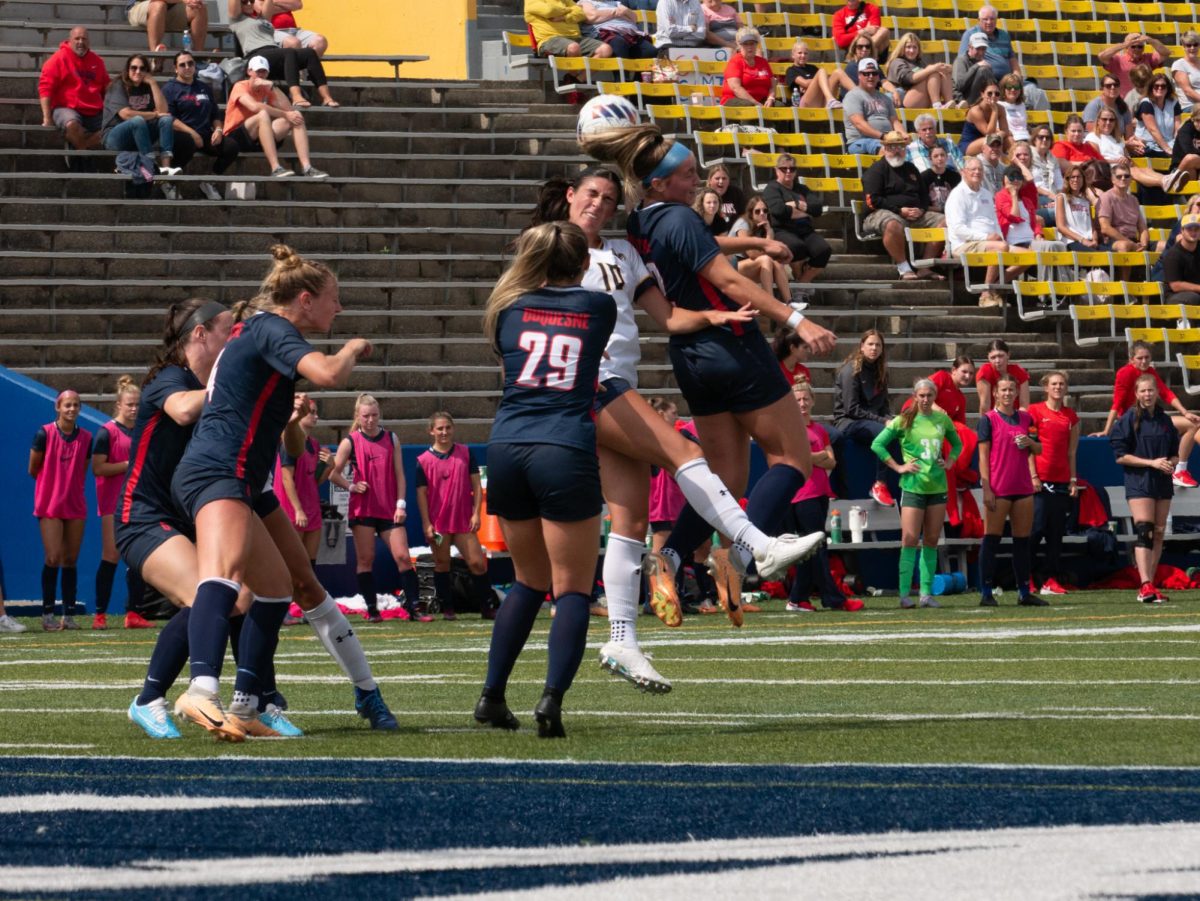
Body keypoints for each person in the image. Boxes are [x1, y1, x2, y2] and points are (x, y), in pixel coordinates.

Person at [529, 170, 825, 684]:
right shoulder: (547, 250)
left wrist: (710, 317)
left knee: (630, 522)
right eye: (590, 194)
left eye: (609, 197)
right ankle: (754, 544)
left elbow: (666, 316)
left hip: (615, 384)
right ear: (570, 196)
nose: (599, 204)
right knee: (684, 455)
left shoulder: (625, 251)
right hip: (585, 387)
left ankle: (623, 640)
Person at [581, 123, 837, 626]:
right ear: (658, 183)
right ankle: (738, 557)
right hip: (732, 342)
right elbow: (724, 279)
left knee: (725, 478)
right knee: (793, 458)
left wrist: (742, 243)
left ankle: (671, 558)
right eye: (686, 174)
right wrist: (797, 319)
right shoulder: (678, 218)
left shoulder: (641, 220)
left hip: (689, 352)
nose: (697, 181)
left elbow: (689, 241)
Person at [120, 299, 396, 740]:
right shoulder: (172, 379)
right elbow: (183, 411)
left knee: (260, 592)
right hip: (147, 517)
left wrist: (286, 415)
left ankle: (257, 701)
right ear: (199, 334)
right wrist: (231, 383)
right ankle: (151, 698)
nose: (235, 339)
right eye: (228, 331)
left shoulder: (239, 380)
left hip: (214, 499)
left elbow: (285, 447)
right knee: (209, 595)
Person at [169, 246, 373, 740]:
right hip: (218, 469)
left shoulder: (257, 330)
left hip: (231, 472)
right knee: (223, 577)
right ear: (304, 300)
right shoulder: (272, 328)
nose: (339, 309)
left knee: (277, 586)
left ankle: (245, 706)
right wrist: (353, 348)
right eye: (334, 299)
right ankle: (199, 691)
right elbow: (328, 373)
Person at [471, 222, 616, 738]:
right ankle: (551, 699)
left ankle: (491, 695)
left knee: (529, 581)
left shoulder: (508, 307)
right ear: (581, 263)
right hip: (563, 445)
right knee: (573, 589)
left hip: (507, 445)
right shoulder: (599, 308)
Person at [329, 394, 428, 623]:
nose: (371, 420)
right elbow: (333, 473)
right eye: (366, 416)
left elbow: (400, 474)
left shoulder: (391, 438)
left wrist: (400, 503)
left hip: (388, 508)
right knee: (366, 559)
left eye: (374, 415)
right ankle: (373, 610)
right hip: (363, 509)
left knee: (403, 556)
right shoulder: (351, 441)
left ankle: (415, 607)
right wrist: (352, 486)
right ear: (358, 416)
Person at [872, 378, 961, 608]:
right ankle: (904, 594)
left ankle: (926, 593)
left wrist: (950, 461)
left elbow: (957, 443)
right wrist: (898, 466)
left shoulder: (942, 419)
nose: (925, 400)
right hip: (913, 486)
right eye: (921, 395)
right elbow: (877, 445)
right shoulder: (904, 420)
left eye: (929, 396)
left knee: (931, 539)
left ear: (934, 397)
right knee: (910, 538)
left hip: (937, 486)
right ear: (914, 396)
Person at [788, 380, 862, 612]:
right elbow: (797, 458)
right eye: (798, 400)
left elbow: (832, 461)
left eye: (805, 399)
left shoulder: (819, 430)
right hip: (802, 494)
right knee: (818, 546)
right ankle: (833, 598)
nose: (802, 403)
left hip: (820, 492)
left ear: (812, 401)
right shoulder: (790, 429)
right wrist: (818, 456)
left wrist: (813, 456)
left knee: (809, 549)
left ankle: (798, 598)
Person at [415, 411, 492, 622]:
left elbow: (476, 485)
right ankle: (448, 609)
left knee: (477, 563)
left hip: (463, 520)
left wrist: (476, 514)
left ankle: (487, 606)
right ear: (431, 431)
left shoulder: (466, 453)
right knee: (442, 564)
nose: (444, 432)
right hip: (439, 522)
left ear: (453, 428)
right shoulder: (423, 460)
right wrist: (426, 523)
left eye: (447, 427)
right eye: (439, 428)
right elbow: (421, 494)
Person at [977, 374, 1046, 607]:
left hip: (1023, 487)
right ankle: (986, 592)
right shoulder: (988, 420)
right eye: (1003, 390)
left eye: (1011, 390)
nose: (1007, 394)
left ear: (1017, 393)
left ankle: (1024, 592)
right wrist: (986, 487)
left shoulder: (1025, 419)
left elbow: (1038, 448)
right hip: (999, 487)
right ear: (995, 393)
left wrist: (1030, 443)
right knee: (992, 539)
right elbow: (983, 456)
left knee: (1022, 541)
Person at [1093, 339, 1200, 489]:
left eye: (1147, 358)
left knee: (1193, 424)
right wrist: (1106, 429)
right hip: (1134, 419)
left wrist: (1185, 412)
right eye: (1140, 358)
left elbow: (1166, 393)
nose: (1144, 361)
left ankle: (1180, 471)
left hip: (1152, 417)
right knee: (1190, 426)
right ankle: (1178, 471)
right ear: (1131, 359)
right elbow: (1117, 403)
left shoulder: (1150, 371)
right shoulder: (1125, 373)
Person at [1110, 373, 1179, 603]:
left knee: (1159, 532)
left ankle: (1152, 582)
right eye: (1143, 391)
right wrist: (1151, 463)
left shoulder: (1164, 419)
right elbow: (1120, 456)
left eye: (1151, 390)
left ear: (1157, 392)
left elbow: (1175, 452)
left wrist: (1172, 463)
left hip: (1162, 482)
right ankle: (1144, 584)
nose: (1147, 395)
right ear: (1136, 394)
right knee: (1145, 530)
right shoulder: (1129, 419)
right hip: (1139, 481)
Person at [30, 390, 92, 632]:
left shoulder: (86, 437)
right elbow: (33, 467)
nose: (71, 409)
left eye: (76, 405)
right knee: (53, 557)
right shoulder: (44, 433)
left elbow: (82, 469)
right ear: (58, 406)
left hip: (75, 504)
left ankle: (69, 614)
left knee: (70, 560)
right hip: (50, 504)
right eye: (67, 405)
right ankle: (47, 614)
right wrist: (52, 487)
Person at [91, 375, 149, 630]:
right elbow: (98, 468)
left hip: (138, 501)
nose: (134, 409)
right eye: (130, 404)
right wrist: (127, 465)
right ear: (118, 404)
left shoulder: (143, 430)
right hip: (112, 503)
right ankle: (100, 614)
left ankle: (134, 612)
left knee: (137, 558)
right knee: (111, 555)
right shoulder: (107, 432)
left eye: (137, 404)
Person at [222, 55, 326, 179]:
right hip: (235, 137)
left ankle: (307, 167)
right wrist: (284, 114)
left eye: (264, 71)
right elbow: (254, 107)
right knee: (263, 114)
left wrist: (273, 86)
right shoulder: (240, 86)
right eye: (258, 71)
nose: (260, 75)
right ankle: (275, 167)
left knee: (296, 116)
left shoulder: (267, 88)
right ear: (249, 72)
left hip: (257, 137)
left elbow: (289, 109)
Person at [863, 130, 946, 280]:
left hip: (916, 214)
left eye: (900, 147)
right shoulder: (875, 170)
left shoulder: (911, 168)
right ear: (885, 149)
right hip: (882, 212)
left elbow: (924, 195)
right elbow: (873, 200)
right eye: (892, 147)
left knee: (945, 221)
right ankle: (904, 267)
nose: (897, 151)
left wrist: (921, 209)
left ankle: (924, 267)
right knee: (892, 224)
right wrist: (899, 211)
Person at [944, 156, 1026, 307]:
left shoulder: (986, 194)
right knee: (999, 248)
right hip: (964, 244)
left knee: (1029, 256)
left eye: (980, 169)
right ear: (963, 172)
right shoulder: (957, 195)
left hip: (991, 243)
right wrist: (986, 237)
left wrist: (1000, 239)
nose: (977, 172)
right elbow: (958, 229)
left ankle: (993, 287)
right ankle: (985, 295)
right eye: (973, 169)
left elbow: (994, 222)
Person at [227, 0, 338, 108]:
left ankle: (327, 98)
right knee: (289, 52)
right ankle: (296, 96)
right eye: (244, 2)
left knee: (309, 53)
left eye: (251, 1)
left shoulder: (263, 19)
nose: (249, 4)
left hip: (274, 52)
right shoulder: (237, 19)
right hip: (256, 54)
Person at [161, 50, 240, 201]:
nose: (187, 67)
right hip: (180, 133)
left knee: (231, 147)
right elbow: (169, 118)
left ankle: (209, 182)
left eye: (190, 63)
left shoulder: (204, 87)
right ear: (175, 68)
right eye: (182, 65)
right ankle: (167, 183)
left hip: (205, 134)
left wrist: (218, 129)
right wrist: (192, 133)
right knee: (188, 143)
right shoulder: (169, 89)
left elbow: (215, 114)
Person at [1027, 371, 1079, 597]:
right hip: (1040, 482)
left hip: (1061, 482)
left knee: (1056, 534)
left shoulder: (1071, 416)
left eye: (1062, 384)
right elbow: (1029, 447)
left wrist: (1073, 480)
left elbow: (1072, 452)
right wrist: (1033, 476)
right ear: (1046, 388)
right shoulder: (1034, 412)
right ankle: (1026, 578)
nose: (1058, 387)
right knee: (1035, 530)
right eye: (1054, 384)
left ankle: (1049, 579)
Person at [834, 330, 894, 507]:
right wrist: (883, 421)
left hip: (870, 421)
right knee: (885, 432)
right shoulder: (851, 370)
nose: (874, 348)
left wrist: (891, 419)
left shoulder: (881, 372)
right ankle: (879, 485)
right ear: (862, 346)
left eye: (878, 345)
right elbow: (851, 409)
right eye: (870, 344)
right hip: (848, 422)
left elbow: (884, 406)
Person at [101, 53, 179, 188]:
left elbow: (163, 111)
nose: (138, 71)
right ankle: (150, 166)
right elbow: (126, 114)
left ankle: (165, 168)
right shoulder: (117, 85)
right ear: (127, 69)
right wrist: (153, 115)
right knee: (137, 120)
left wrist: (154, 83)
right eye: (134, 68)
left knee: (166, 119)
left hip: (139, 136)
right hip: (114, 136)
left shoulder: (148, 86)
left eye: (142, 68)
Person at [273, 394, 329, 571]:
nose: (316, 416)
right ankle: (290, 599)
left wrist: (329, 467)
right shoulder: (288, 442)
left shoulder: (314, 444)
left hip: (311, 508)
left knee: (309, 563)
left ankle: (306, 599)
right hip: (293, 509)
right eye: (312, 412)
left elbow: (315, 481)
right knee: (293, 562)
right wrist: (298, 509)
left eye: (316, 412)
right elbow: (286, 477)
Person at [763, 153, 833, 286]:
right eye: (784, 168)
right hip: (783, 229)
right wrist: (801, 207)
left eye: (792, 169)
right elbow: (778, 210)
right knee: (797, 246)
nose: (788, 171)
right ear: (777, 170)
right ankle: (801, 285)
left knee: (824, 250)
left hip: (805, 230)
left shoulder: (802, 188)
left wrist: (793, 206)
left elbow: (817, 208)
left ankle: (802, 283)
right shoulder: (772, 188)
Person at [37, 27, 110, 155]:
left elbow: (106, 88)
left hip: (94, 111)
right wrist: (47, 117)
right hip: (66, 108)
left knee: (115, 128)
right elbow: (45, 87)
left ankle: (81, 150)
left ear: (89, 42)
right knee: (72, 125)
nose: (80, 42)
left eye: (84, 39)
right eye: (77, 38)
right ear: (69, 41)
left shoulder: (97, 62)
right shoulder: (58, 59)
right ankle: (84, 155)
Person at [1087, 107, 1191, 195]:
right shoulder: (1093, 137)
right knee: (1133, 171)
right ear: (1098, 121)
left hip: (1122, 167)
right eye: (1104, 119)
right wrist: (1117, 162)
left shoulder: (1118, 139)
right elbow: (1097, 160)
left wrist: (1127, 160)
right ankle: (1165, 182)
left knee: (1146, 169)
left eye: (1111, 120)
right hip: (1107, 171)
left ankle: (1169, 180)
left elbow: (1129, 159)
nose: (1108, 122)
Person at [729, 194, 795, 301]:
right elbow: (753, 254)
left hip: (752, 265)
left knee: (777, 263)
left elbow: (773, 253)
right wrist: (769, 248)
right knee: (766, 259)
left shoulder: (766, 226)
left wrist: (769, 232)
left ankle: (789, 301)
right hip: (733, 266)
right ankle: (770, 301)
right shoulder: (743, 225)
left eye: (765, 210)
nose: (762, 214)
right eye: (757, 211)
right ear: (751, 213)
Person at [1097, 162, 1150, 279]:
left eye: (1126, 176)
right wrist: (1131, 243)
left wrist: (1144, 244)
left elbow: (1142, 228)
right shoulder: (1106, 197)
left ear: (1131, 179)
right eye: (1119, 176)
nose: (1123, 179)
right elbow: (1105, 228)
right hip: (1113, 241)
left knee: (1163, 245)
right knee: (1124, 246)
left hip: (1133, 239)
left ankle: (1157, 290)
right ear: (1112, 179)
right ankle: (1124, 290)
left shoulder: (1133, 200)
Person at [842, 57, 903, 155]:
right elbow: (860, 124)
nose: (871, 76)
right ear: (859, 75)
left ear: (878, 77)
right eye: (866, 74)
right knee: (884, 147)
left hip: (886, 140)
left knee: (909, 148)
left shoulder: (885, 98)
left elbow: (895, 121)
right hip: (860, 142)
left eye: (874, 73)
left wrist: (903, 136)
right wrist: (883, 137)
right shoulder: (852, 96)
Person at [828, 35, 900, 108]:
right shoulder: (850, 65)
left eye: (867, 46)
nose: (864, 49)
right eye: (860, 47)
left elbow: (884, 82)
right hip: (850, 102)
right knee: (838, 72)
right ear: (855, 49)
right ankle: (861, 96)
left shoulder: (873, 66)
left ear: (871, 49)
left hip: (866, 104)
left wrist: (894, 91)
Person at [887, 31, 952, 110]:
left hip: (918, 98)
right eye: (908, 47)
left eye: (915, 47)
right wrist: (932, 68)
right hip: (903, 100)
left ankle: (950, 102)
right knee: (933, 72)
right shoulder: (897, 62)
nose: (912, 50)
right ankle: (936, 105)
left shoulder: (920, 62)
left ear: (918, 49)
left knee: (943, 72)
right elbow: (909, 79)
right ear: (902, 48)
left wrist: (946, 69)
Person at [126, 0, 208, 58]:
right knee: (158, 5)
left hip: (171, 7)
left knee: (199, 7)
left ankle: (199, 58)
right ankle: (155, 56)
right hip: (140, 6)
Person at [957, 5, 1017, 83]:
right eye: (985, 19)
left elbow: (1012, 59)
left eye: (992, 19)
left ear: (996, 20)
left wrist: (1017, 75)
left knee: (1031, 88)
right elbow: (963, 60)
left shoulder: (1004, 35)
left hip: (1007, 81)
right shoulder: (970, 34)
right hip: (984, 81)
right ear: (979, 20)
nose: (989, 22)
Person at [1055, 164, 1108, 252]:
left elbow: (1092, 226)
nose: (1075, 180)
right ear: (1067, 180)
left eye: (1078, 177)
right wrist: (1082, 240)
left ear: (1083, 180)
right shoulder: (1061, 197)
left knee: (1112, 255)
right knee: (1099, 257)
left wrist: (1095, 240)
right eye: (1072, 177)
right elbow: (1061, 227)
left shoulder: (1086, 201)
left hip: (1089, 241)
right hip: (1072, 242)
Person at [1099, 32, 1169, 96]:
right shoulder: (1118, 60)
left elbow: (1165, 53)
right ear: (1127, 47)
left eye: (1140, 47)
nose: (1137, 49)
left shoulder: (1148, 58)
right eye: (1133, 46)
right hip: (1124, 102)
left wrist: (1151, 40)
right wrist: (1123, 45)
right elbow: (1102, 56)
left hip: (1146, 99)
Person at [579, 0, 656, 59]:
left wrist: (604, 14)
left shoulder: (615, 2)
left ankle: (638, 78)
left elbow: (634, 18)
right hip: (605, 33)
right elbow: (592, 17)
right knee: (619, 43)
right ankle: (622, 78)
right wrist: (615, 12)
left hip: (629, 33)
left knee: (650, 50)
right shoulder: (585, 2)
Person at [720, 28, 774, 107]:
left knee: (780, 106)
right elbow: (736, 88)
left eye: (752, 43)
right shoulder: (735, 62)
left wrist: (771, 98)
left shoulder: (763, 62)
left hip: (760, 100)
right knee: (749, 107)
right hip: (735, 99)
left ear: (756, 44)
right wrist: (756, 103)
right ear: (739, 45)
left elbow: (773, 85)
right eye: (746, 44)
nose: (749, 47)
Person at [1135, 73, 1182, 159]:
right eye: (1156, 86)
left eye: (1163, 86)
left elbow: (1177, 128)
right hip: (1148, 144)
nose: (1159, 88)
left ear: (1168, 88)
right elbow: (1153, 130)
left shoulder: (1174, 103)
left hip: (1169, 143)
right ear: (1151, 88)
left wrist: (1177, 145)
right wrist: (1167, 149)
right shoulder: (1146, 103)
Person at [977, 338, 1030, 413]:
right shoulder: (985, 371)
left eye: (1001, 356)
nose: (997, 361)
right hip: (994, 417)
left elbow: (1024, 405)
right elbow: (985, 405)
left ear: (1008, 355)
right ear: (988, 358)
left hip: (1017, 416)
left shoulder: (1019, 371)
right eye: (993, 357)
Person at [1083, 75, 1135, 143]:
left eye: (1116, 85)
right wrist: (1123, 144)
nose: (1113, 87)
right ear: (1102, 88)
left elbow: (1129, 136)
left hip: (1118, 145)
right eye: (1108, 85)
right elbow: (1094, 134)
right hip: (1097, 145)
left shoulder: (1123, 106)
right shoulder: (1094, 106)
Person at [1162, 212, 1200, 304]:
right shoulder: (1173, 255)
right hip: (1175, 296)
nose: (1193, 232)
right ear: (1182, 231)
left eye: (1197, 229)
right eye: (1189, 229)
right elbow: (1176, 285)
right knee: (1194, 298)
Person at [960, 84, 1008, 157]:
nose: (993, 96)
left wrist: (1000, 135)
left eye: (997, 94)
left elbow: (1005, 130)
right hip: (969, 145)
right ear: (982, 94)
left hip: (990, 141)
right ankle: (1001, 160)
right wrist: (994, 111)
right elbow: (989, 134)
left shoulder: (1001, 108)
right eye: (990, 93)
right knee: (989, 141)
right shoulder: (975, 111)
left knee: (1009, 140)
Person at [784, 40, 833, 109]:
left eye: (805, 53)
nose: (803, 56)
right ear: (793, 55)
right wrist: (818, 82)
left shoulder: (813, 68)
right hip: (804, 103)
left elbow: (826, 80)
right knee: (822, 71)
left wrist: (812, 85)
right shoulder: (791, 70)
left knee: (838, 72)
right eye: (800, 53)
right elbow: (805, 83)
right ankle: (830, 99)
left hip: (818, 100)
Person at [952, 31, 995, 107]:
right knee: (983, 70)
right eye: (978, 49)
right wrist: (976, 66)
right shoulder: (961, 60)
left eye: (983, 49)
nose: (981, 52)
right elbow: (959, 85)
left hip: (981, 98)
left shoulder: (983, 62)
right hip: (966, 100)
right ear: (970, 47)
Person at [928, 356, 974, 425]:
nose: (968, 376)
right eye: (964, 372)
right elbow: (922, 393)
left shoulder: (961, 399)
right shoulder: (942, 377)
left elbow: (960, 425)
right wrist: (939, 410)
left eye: (971, 373)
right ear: (953, 370)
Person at [919, 144, 961, 213]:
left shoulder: (955, 177)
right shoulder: (923, 177)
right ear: (930, 159)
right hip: (931, 213)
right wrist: (941, 210)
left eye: (942, 155)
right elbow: (922, 204)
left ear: (947, 157)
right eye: (936, 156)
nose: (940, 158)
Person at [706, 163, 744, 231]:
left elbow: (744, 216)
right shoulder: (704, 196)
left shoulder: (736, 193)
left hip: (733, 234)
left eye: (724, 178)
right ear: (710, 181)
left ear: (729, 181)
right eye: (717, 178)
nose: (721, 181)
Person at [1171, 30, 1200, 114]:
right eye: (1189, 45)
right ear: (1183, 46)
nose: (1192, 48)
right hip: (1190, 106)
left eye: (1195, 44)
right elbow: (1188, 91)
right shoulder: (1179, 65)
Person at [996, 72, 1029, 142]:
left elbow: (1023, 126)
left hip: (1024, 136)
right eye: (1009, 87)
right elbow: (995, 128)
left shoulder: (1022, 105)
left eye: (1016, 87)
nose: (1013, 90)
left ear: (1020, 90)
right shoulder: (998, 104)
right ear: (1003, 89)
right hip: (1008, 138)